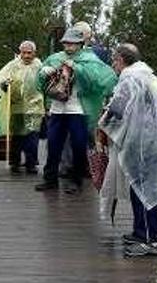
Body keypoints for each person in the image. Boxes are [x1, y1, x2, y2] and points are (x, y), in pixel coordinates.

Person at [98, 44, 157, 257]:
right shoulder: (146, 76)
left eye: (114, 60)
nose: (113, 65)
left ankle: (150, 240)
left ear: (121, 59)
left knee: (145, 190)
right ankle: (140, 232)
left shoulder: (130, 78)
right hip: (151, 139)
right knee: (138, 187)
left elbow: (118, 110)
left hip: (143, 142)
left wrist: (101, 125)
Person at [35, 28, 117, 194]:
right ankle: (50, 179)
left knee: (78, 145)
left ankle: (76, 180)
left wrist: (78, 69)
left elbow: (95, 81)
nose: (68, 46)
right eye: (66, 42)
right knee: (53, 143)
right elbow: (40, 78)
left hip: (78, 108)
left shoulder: (90, 59)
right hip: (58, 107)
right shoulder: (56, 58)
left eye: (72, 43)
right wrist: (44, 72)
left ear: (80, 44)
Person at [0, 40, 44, 174]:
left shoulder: (40, 66)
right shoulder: (12, 66)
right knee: (16, 137)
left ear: (34, 53)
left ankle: (31, 163)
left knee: (32, 136)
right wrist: (5, 85)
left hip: (35, 107)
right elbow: (0, 80)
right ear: (20, 52)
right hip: (16, 106)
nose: (26, 56)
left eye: (29, 53)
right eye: (24, 53)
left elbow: (46, 86)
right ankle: (15, 163)